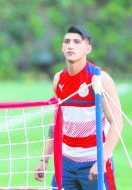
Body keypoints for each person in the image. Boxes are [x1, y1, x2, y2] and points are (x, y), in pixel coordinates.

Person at [35, 25, 123, 189]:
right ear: (62, 47)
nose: (70, 45)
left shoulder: (99, 78)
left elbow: (117, 123)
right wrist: (44, 159)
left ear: (88, 48)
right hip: (66, 163)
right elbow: (57, 123)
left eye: (77, 42)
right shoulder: (58, 79)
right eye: (67, 41)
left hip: (93, 162)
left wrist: (101, 160)